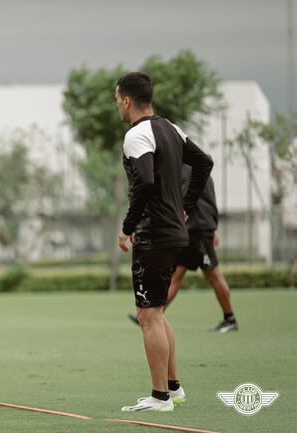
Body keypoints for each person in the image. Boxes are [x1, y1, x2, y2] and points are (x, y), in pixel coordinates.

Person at [115, 72, 213, 412]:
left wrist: (128, 226)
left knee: (148, 316)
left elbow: (142, 181)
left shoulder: (135, 135)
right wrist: (185, 207)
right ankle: (172, 389)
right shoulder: (171, 128)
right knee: (155, 311)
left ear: (126, 100)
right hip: (173, 232)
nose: (118, 106)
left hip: (154, 233)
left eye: (117, 100)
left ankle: (159, 398)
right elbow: (204, 162)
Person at [128, 166, 238, 332]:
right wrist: (212, 227)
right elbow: (210, 199)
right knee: (176, 275)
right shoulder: (199, 165)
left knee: (213, 274)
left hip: (196, 229)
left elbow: (176, 200)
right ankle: (154, 315)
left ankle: (230, 319)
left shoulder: (181, 169)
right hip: (193, 229)